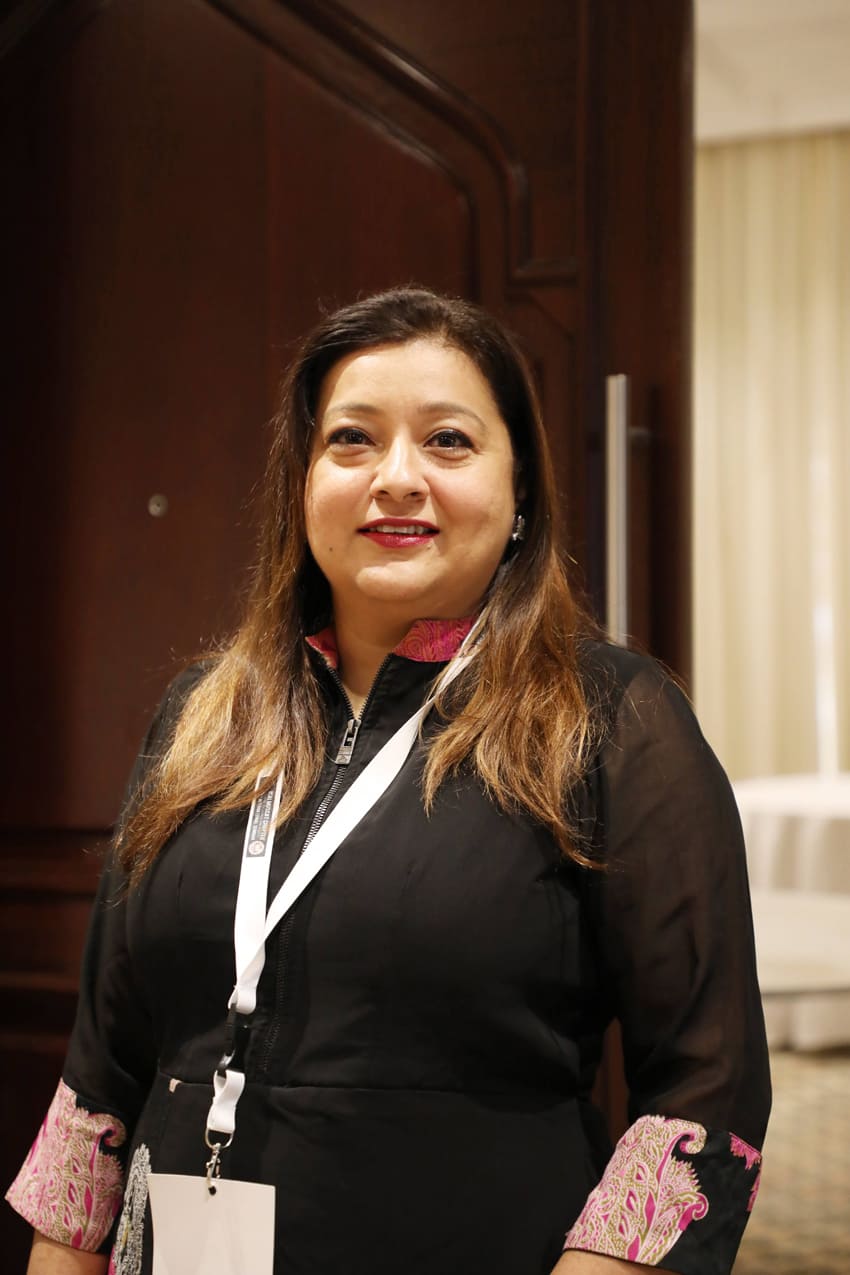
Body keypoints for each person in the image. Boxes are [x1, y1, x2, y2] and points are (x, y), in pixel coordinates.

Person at [7, 287, 770, 1275]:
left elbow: (704, 1091)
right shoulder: (202, 715)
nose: (396, 478)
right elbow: (99, 1076)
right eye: (351, 441)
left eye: (448, 441)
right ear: (303, 484)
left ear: (520, 493)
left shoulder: (612, 721)